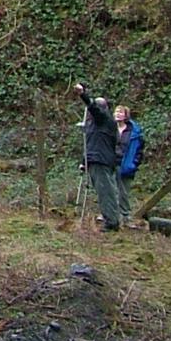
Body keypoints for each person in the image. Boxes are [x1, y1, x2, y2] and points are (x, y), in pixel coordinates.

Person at [73, 82, 123, 231]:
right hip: (95, 160)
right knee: (103, 191)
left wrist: (83, 94)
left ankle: (112, 222)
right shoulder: (94, 126)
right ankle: (110, 218)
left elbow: (94, 109)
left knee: (106, 191)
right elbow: (89, 144)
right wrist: (84, 161)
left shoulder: (106, 121)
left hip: (102, 161)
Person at [115, 105, 145, 225]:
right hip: (112, 163)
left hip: (127, 165)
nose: (117, 114)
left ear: (126, 115)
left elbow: (139, 150)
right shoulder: (110, 128)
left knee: (124, 191)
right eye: (116, 112)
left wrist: (134, 164)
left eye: (120, 112)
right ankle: (110, 214)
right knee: (111, 190)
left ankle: (125, 216)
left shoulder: (134, 132)